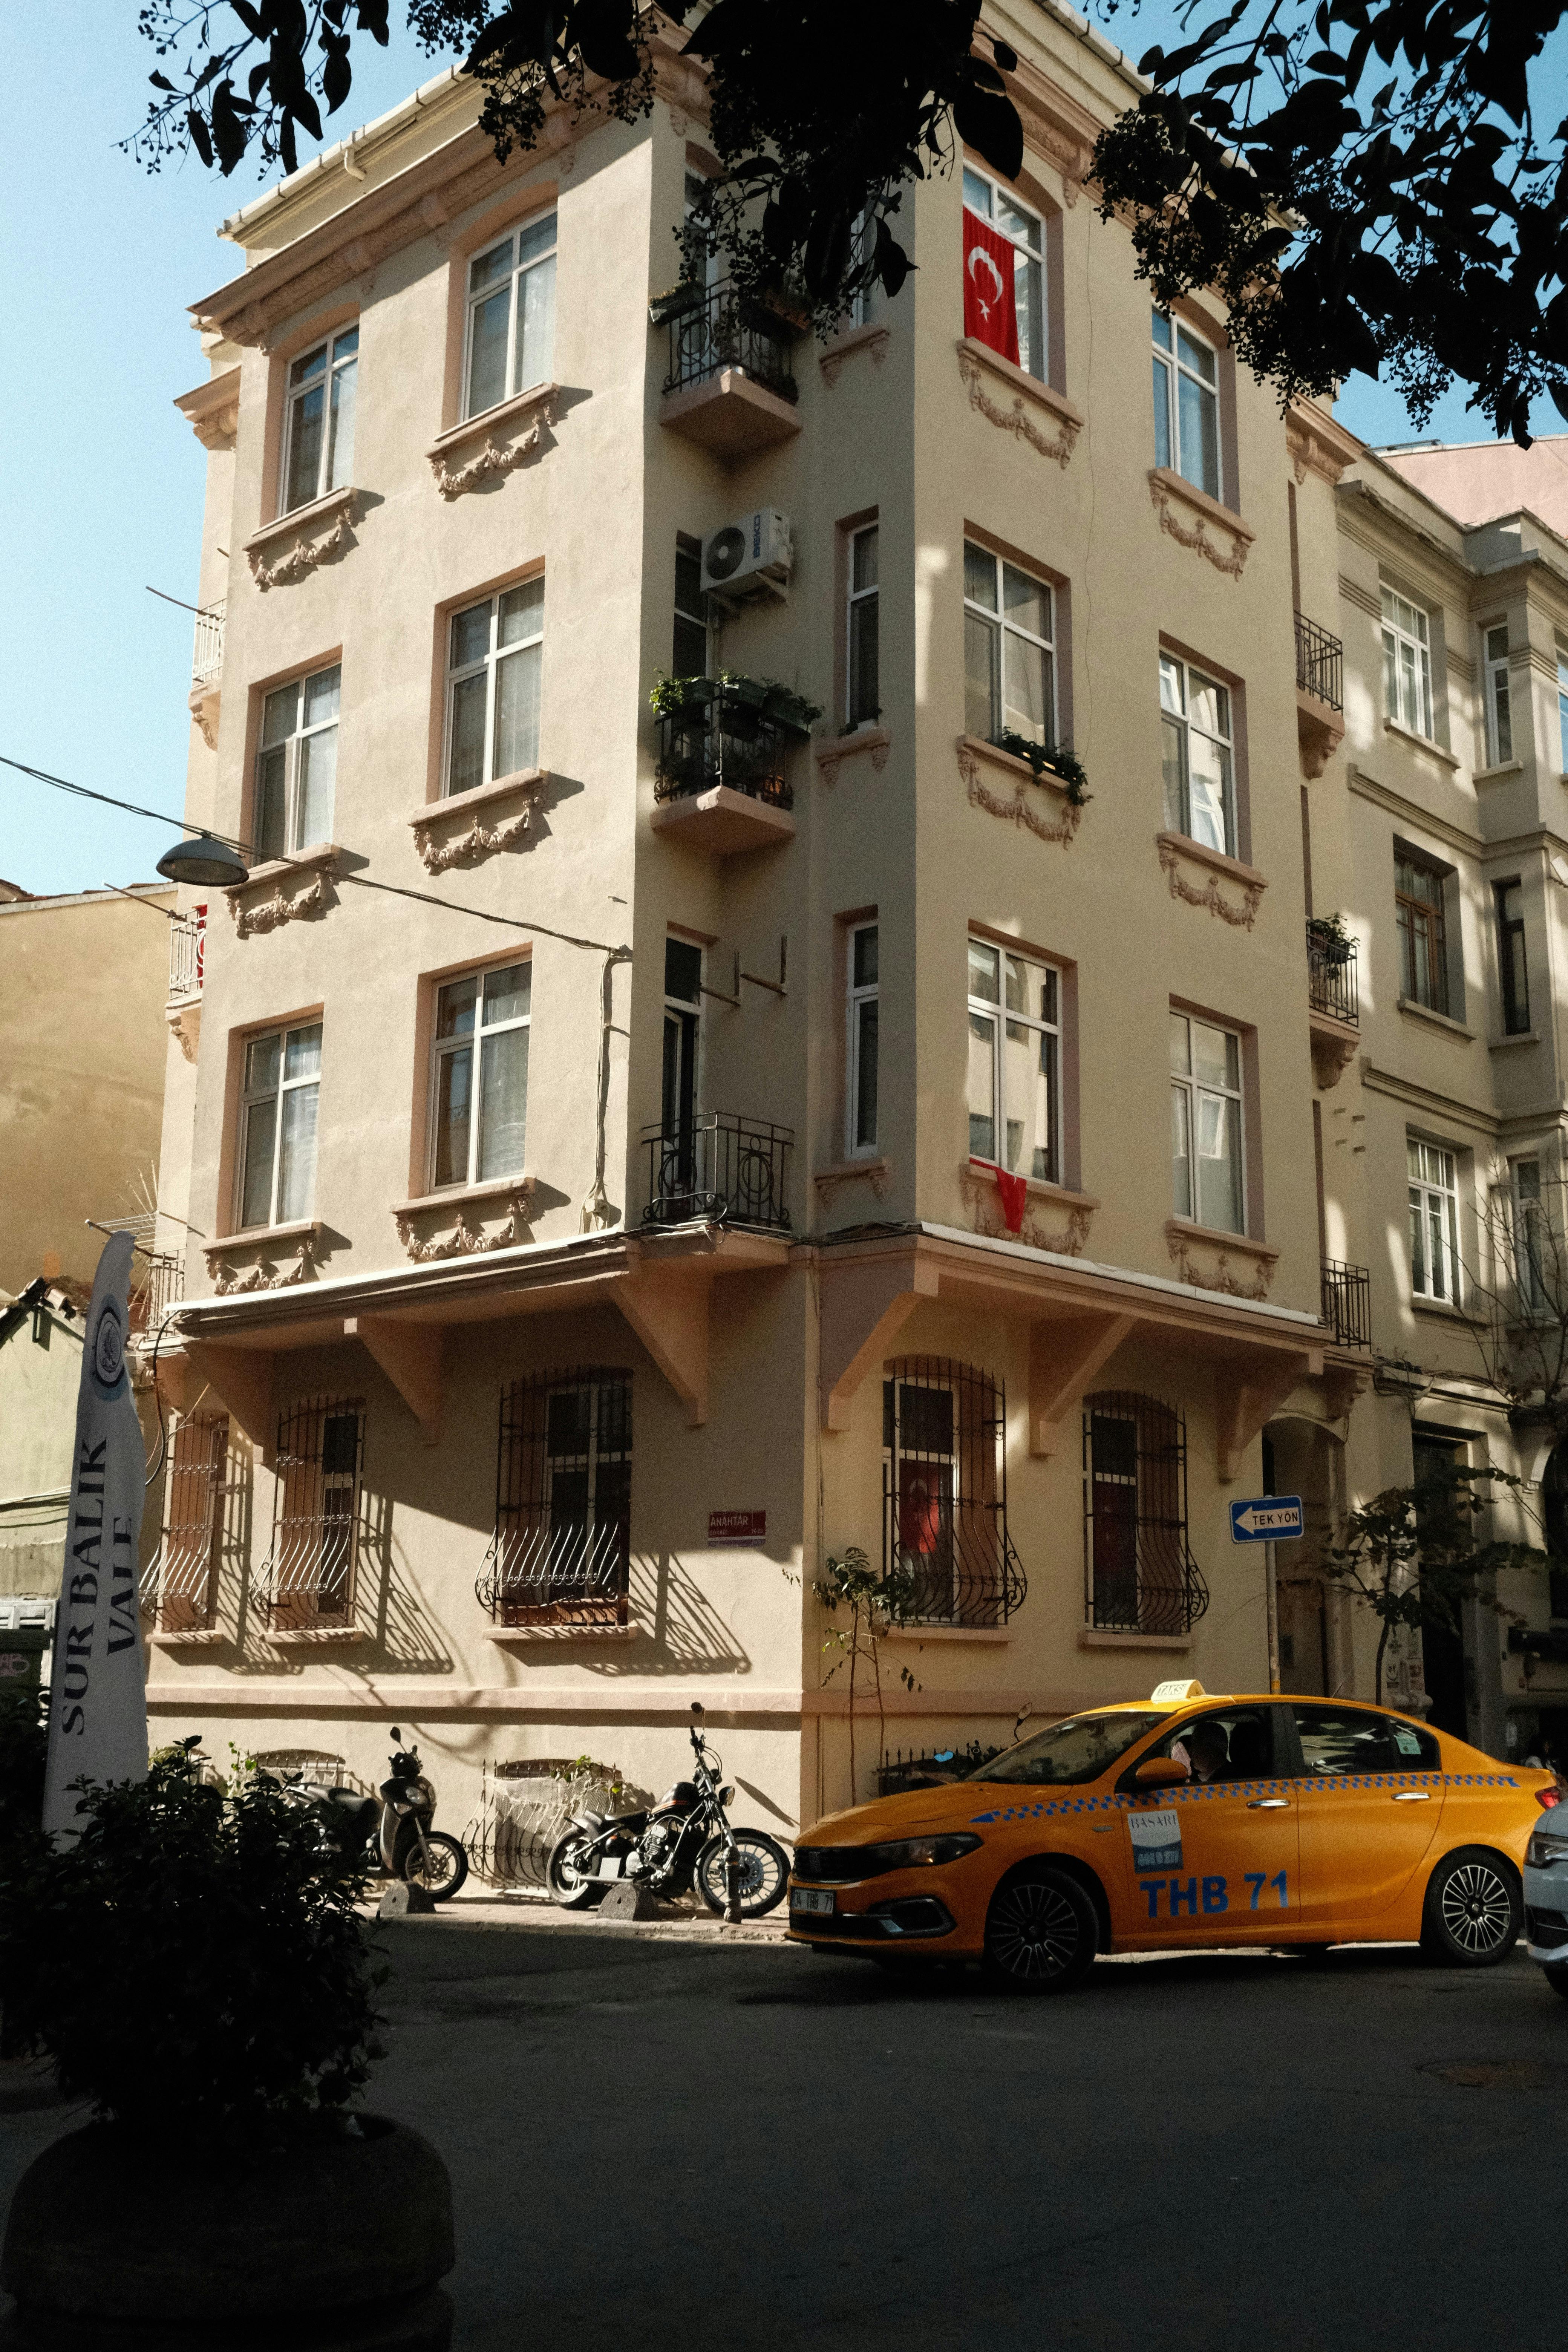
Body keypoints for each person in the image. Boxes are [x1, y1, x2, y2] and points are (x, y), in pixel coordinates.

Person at [1171, 1719, 1228, 1784]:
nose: (1190, 1752)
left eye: (1194, 1745)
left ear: (1207, 1748)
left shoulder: (1224, 1781)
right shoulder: (1218, 1777)